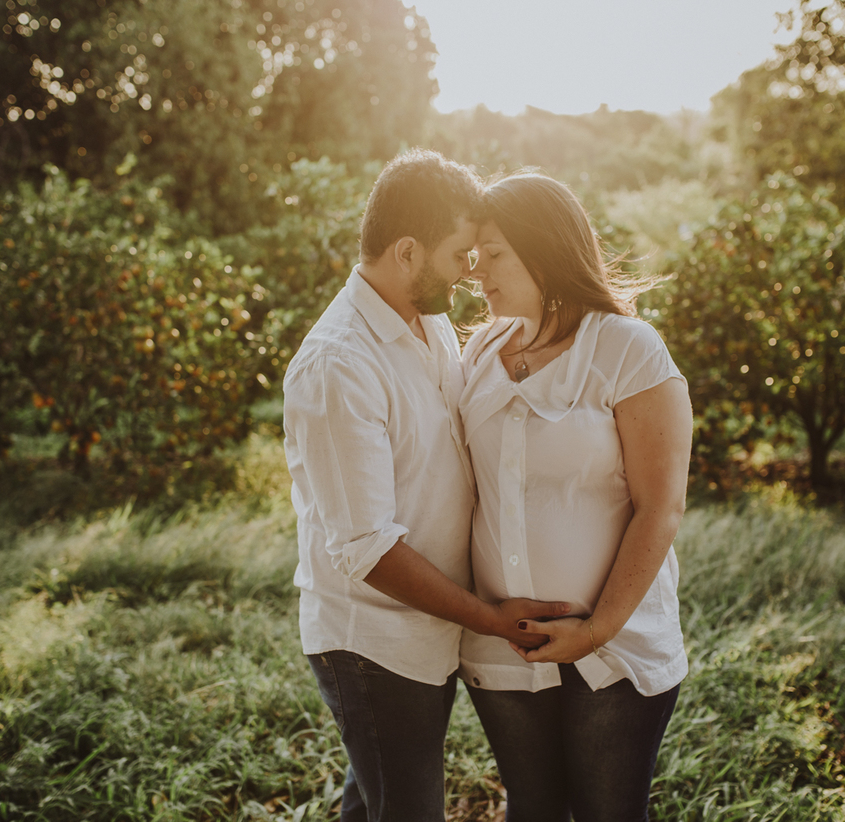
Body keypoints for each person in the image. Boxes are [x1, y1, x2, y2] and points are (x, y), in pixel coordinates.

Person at [282, 149, 569, 822]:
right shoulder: (337, 366)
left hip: (427, 629)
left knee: (378, 800)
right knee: (406, 810)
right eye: (459, 256)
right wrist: (489, 618)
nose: (471, 274)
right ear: (407, 251)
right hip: (373, 642)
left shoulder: (428, 321)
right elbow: (368, 549)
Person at [458, 171, 693, 822]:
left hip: (614, 647)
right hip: (502, 644)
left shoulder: (627, 349)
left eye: (494, 255)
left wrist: (595, 629)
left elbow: (661, 506)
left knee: (608, 813)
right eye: (474, 257)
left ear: (544, 249)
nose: (478, 274)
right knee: (531, 809)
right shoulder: (480, 349)